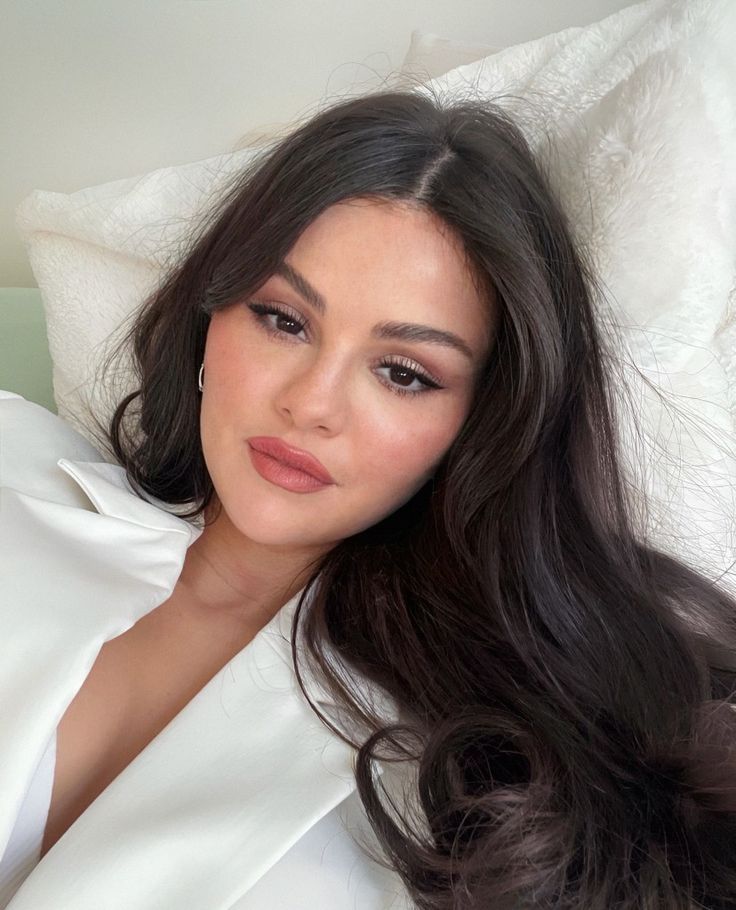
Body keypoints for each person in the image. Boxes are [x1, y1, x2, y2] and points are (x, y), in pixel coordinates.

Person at [1, 86, 736, 910]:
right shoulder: (13, 467)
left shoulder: (485, 757)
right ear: (211, 315)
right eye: (282, 319)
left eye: (403, 373)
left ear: (476, 424)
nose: (313, 404)